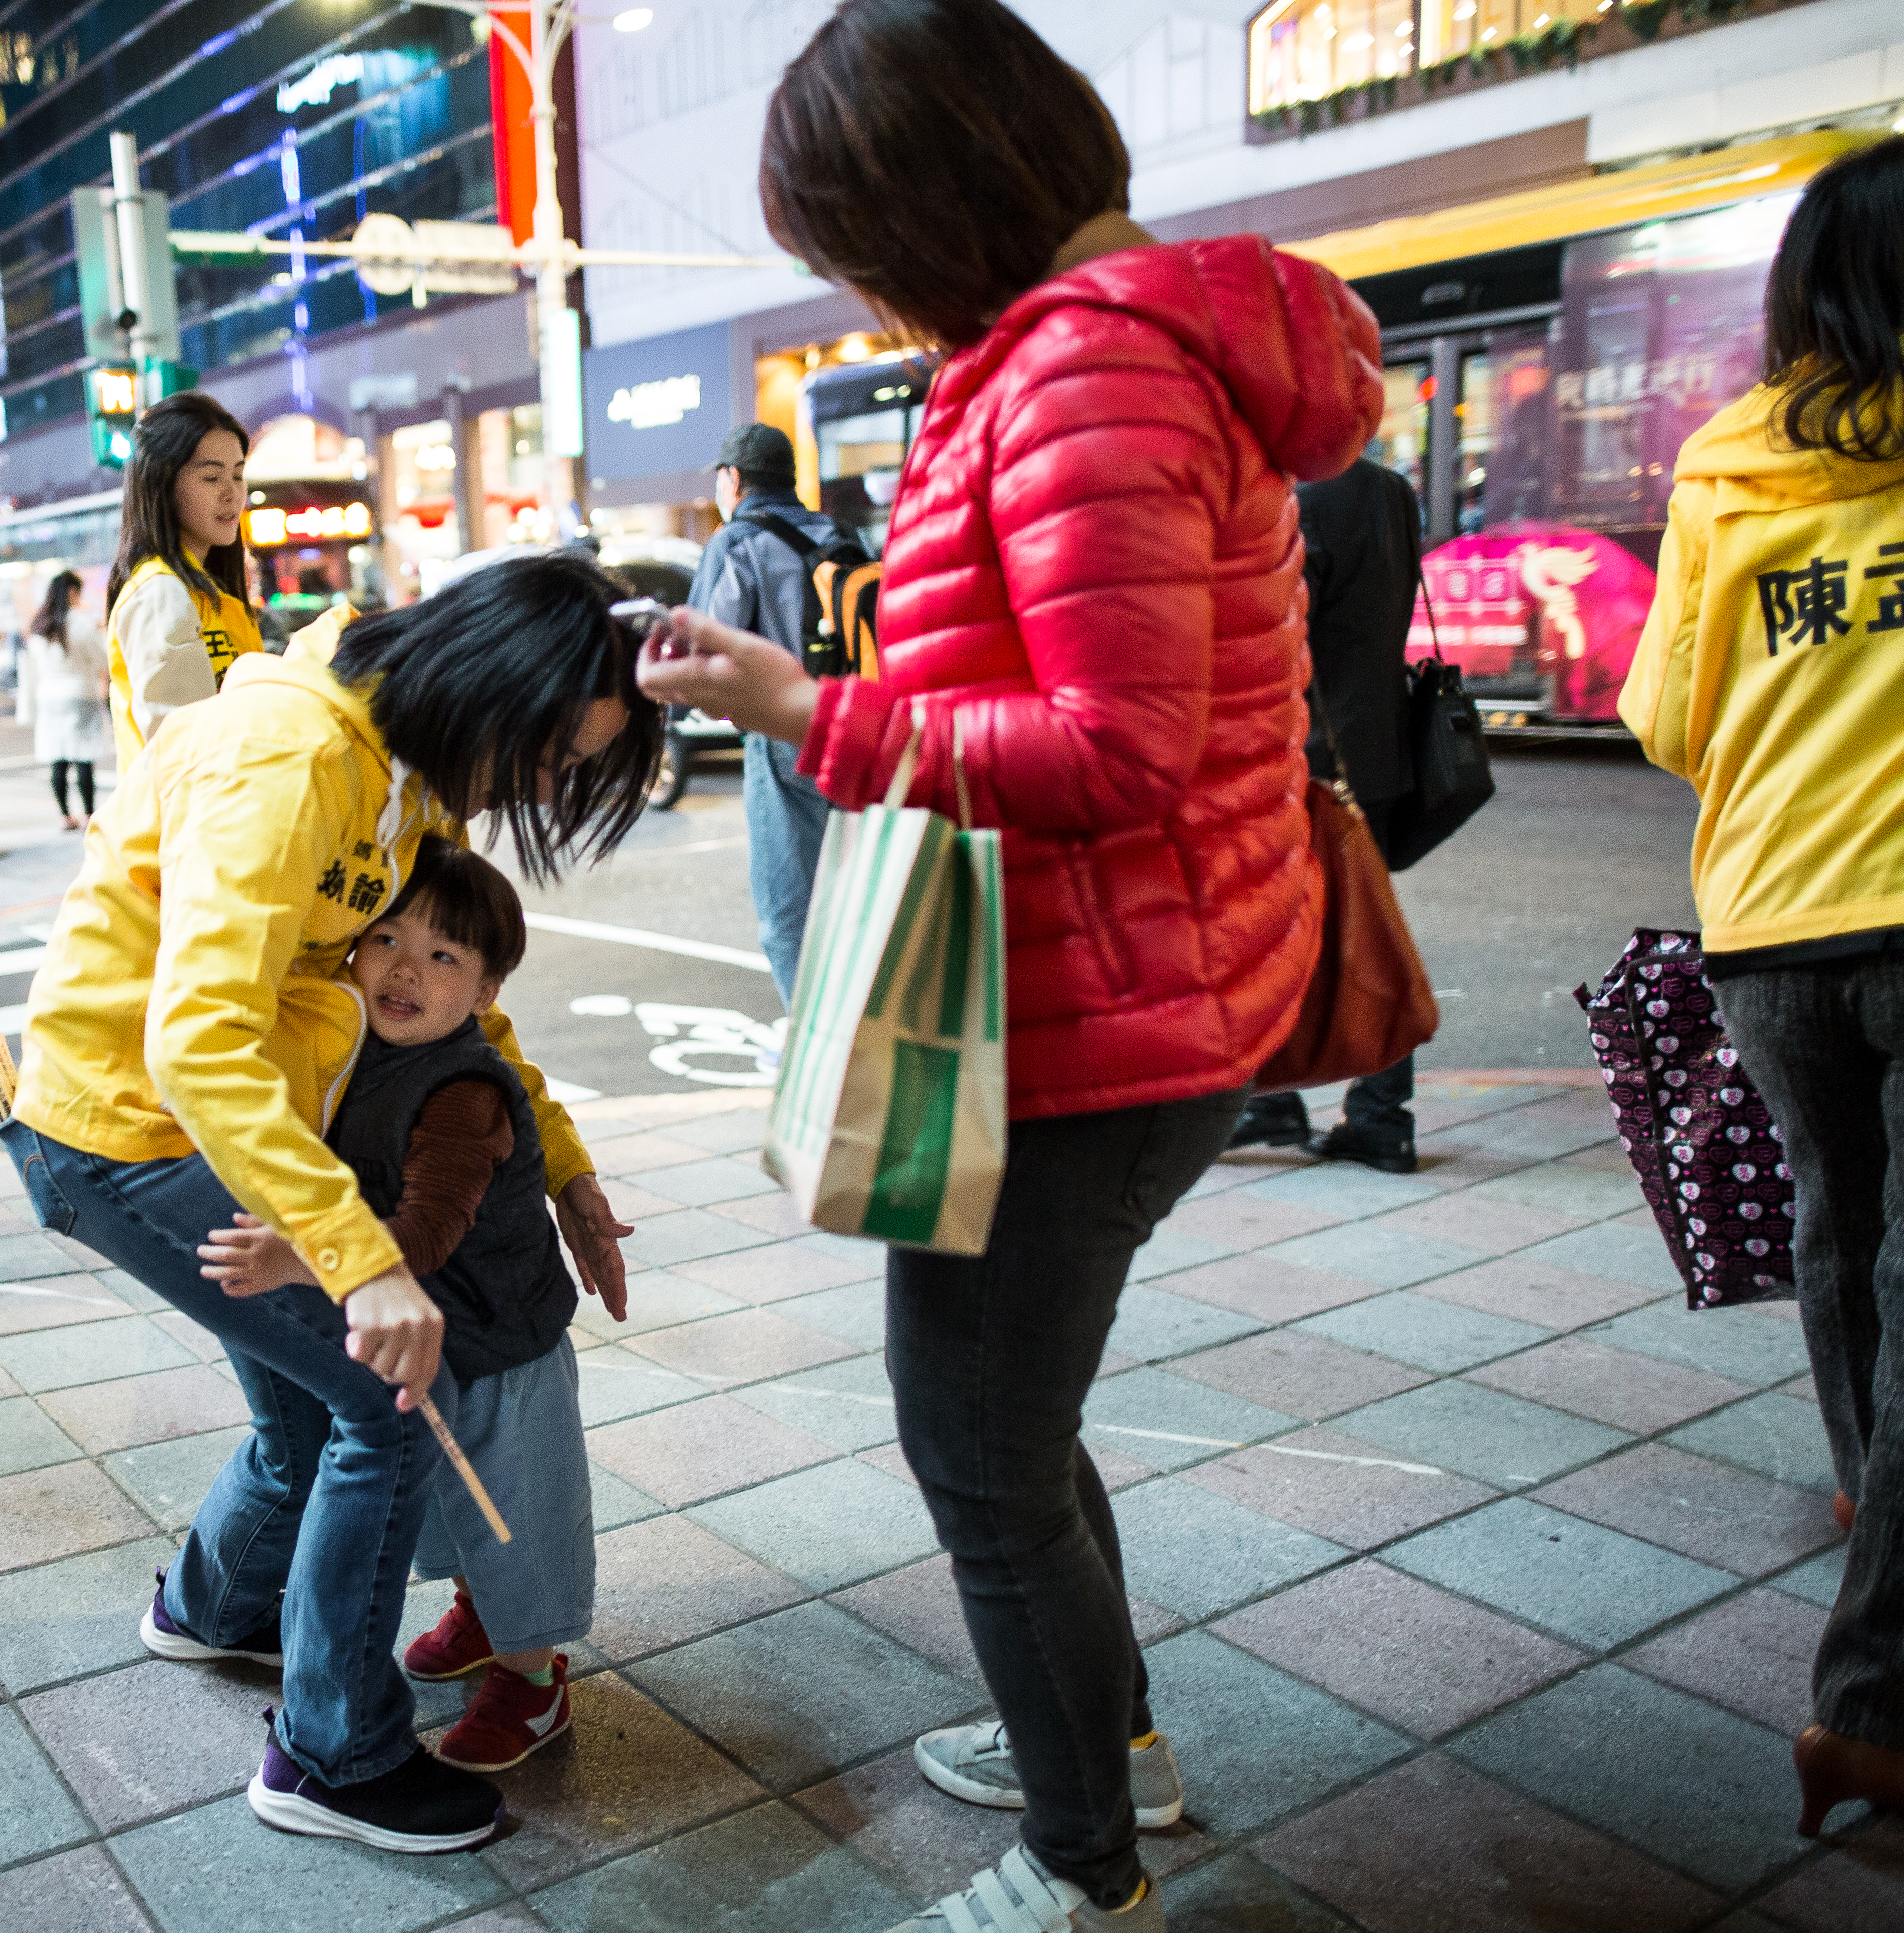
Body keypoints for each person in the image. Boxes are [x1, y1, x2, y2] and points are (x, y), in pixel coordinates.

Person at [637, 5, 1381, 1925]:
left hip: (1099, 1016)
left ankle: (1081, 1867)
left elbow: (1112, 748)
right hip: (1109, 985)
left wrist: (815, 710)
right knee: (1011, 1437)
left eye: (845, 243)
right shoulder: (1074, 356)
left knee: (974, 1456)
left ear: (929, 197)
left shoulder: (1089, 377)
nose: (854, 288)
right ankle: (1101, 1742)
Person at [0, 553, 656, 1854]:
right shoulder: (294, 757)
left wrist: (566, 1164)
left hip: (215, 1131)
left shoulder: (405, 770)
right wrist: (363, 1264)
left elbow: (484, 1015)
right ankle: (335, 1759)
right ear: (493, 689)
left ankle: (215, 1610)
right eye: (544, 757)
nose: (538, 789)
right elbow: (197, 1045)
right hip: (125, 1135)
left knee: (310, 1415)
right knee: (384, 1408)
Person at [1619, 133, 1904, 1838]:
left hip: (1779, 926)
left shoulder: (1732, 471)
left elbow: (1665, 717)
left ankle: (1879, 1501)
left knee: (1834, 1222)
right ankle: (1870, 1699)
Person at [202, 839, 598, 1774]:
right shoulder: (357, 1050)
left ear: (488, 995)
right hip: (431, 1342)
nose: (407, 967)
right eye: (388, 937)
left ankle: (534, 1680)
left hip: (502, 1347)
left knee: (514, 1514)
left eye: (446, 956)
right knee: (451, 1506)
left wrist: (298, 1259)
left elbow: (424, 1235)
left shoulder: (463, 1089)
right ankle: (478, 1611)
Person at [1229, 455, 1425, 1171]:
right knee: (1365, 923)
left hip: (1313, 755)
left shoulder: (1298, 497)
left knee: (1287, 929)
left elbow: (1282, 635)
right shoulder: (1390, 489)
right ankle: (1377, 1114)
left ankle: (1273, 1099)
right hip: (1379, 746)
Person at [688, 420, 854, 1013]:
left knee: (789, 912)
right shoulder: (838, 534)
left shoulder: (737, 542)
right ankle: (861, 1029)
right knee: (853, 902)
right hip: (859, 730)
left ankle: (819, 1047)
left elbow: (702, 646)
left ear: (734, 480)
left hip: (784, 739)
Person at [104, 390, 262, 772]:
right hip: (193, 821)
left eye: (238, 475)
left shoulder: (206, 592)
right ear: (162, 483)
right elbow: (184, 751)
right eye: (212, 477)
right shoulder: (160, 592)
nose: (232, 494)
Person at [26, 568, 106, 828]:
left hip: (49, 696)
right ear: (72, 592)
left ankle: (64, 816)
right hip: (80, 693)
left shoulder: (41, 626)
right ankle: (89, 814)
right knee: (83, 756)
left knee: (58, 757)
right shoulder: (81, 623)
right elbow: (101, 658)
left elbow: (32, 668)